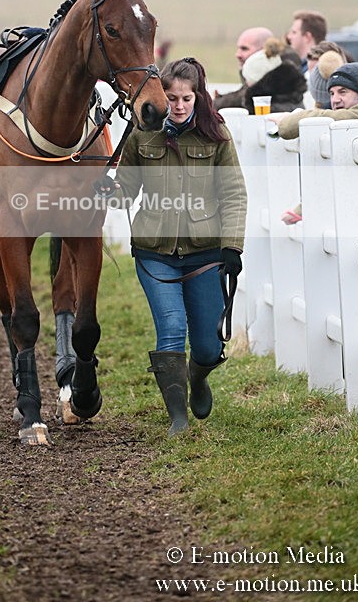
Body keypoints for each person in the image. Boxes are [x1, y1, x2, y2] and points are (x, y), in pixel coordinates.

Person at [108, 57, 247, 437]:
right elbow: (126, 190)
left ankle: (199, 378)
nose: (178, 105)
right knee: (170, 329)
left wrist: (232, 247)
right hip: (154, 252)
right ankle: (178, 419)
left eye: (186, 98)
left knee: (206, 346)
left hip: (206, 254)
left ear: (197, 98)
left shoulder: (216, 135)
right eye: (171, 97)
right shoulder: (141, 135)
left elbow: (234, 194)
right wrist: (111, 191)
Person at [268, 62, 358, 224]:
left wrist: (287, 122)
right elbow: (341, 176)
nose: (335, 100)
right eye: (331, 93)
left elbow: (335, 118)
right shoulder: (349, 125)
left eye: (342, 92)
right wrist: (303, 209)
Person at [214, 26, 273, 110]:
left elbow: (243, 98)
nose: (238, 55)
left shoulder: (272, 82)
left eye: (244, 49)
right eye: (238, 48)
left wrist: (217, 103)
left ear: (264, 52)